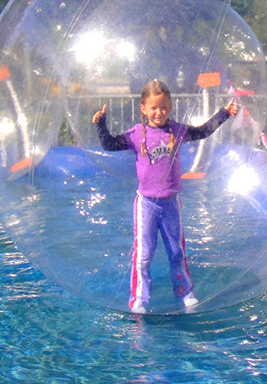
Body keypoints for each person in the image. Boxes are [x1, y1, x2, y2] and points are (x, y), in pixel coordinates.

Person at [92, 80, 238, 313]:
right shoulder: (136, 134)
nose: (158, 113)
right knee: (144, 254)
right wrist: (101, 124)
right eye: (153, 108)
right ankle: (140, 298)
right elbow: (109, 145)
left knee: (176, 252)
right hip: (146, 204)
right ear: (143, 109)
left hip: (170, 204)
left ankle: (185, 293)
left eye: (163, 108)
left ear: (170, 108)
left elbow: (202, 131)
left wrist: (224, 114)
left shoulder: (177, 131)